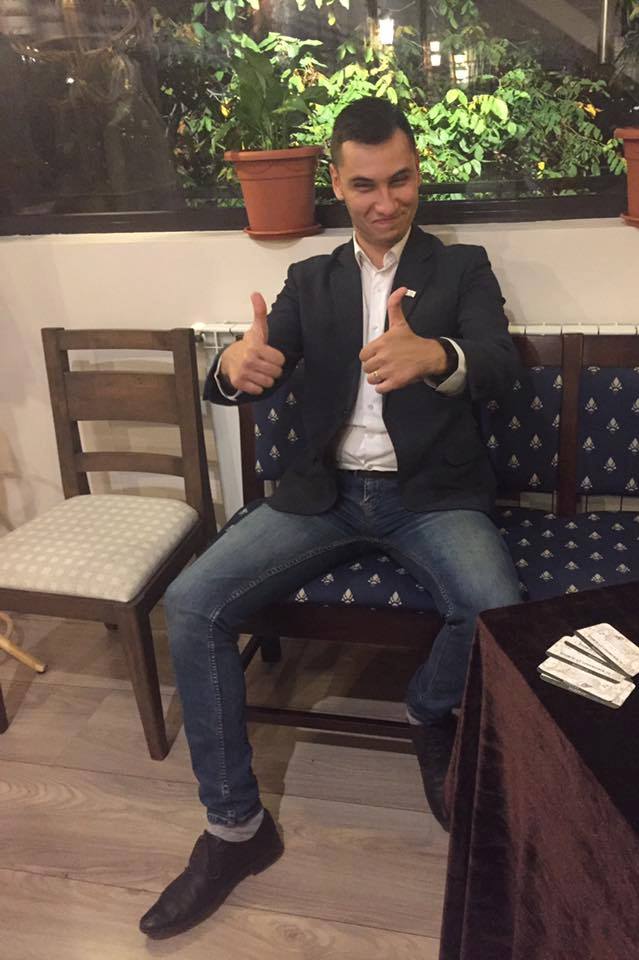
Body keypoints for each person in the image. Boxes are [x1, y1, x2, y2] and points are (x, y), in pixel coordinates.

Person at [139, 96, 521, 941]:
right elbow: (259, 362)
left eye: (401, 180)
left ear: (419, 173)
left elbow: (499, 365)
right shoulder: (310, 280)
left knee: (494, 606)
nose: (386, 202)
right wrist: (232, 366)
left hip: (430, 496)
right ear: (338, 186)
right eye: (366, 186)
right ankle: (236, 830)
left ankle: (428, 710)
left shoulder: (463, 269)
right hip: (323, 494)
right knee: (193, 603)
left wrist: (437, 354)